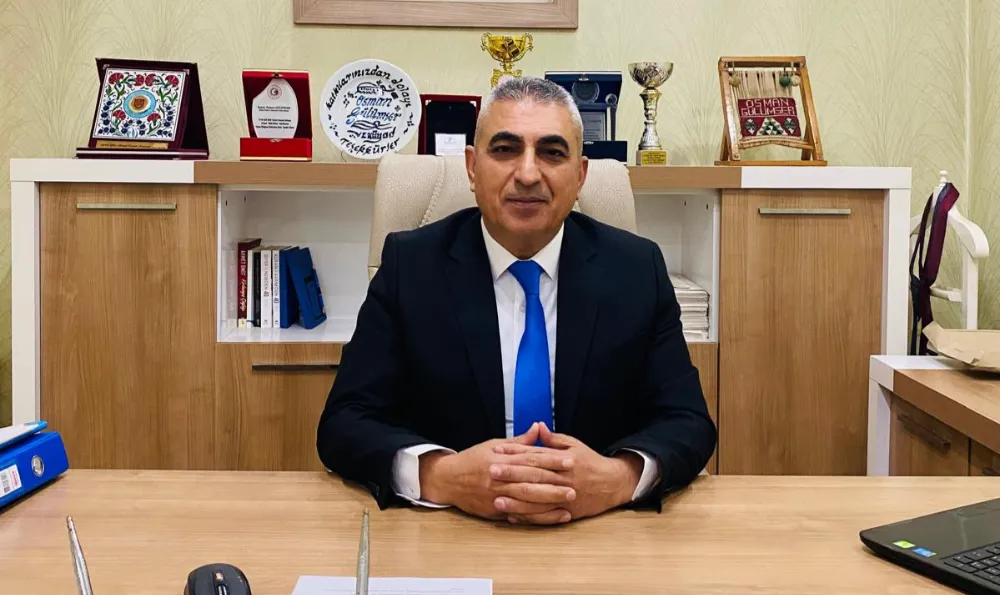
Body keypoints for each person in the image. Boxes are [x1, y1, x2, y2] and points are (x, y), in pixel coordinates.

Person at [317, 76, 716, 525]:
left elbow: (688, 421)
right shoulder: (410, 267)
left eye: (552, 152)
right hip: (449, 528)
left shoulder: (636, 269)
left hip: (599, 530)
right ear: (472, 167)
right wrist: (441, 475)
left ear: (580, 176)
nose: (527, 174)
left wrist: (617, 479)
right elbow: (344, 422)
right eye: (505, 150)